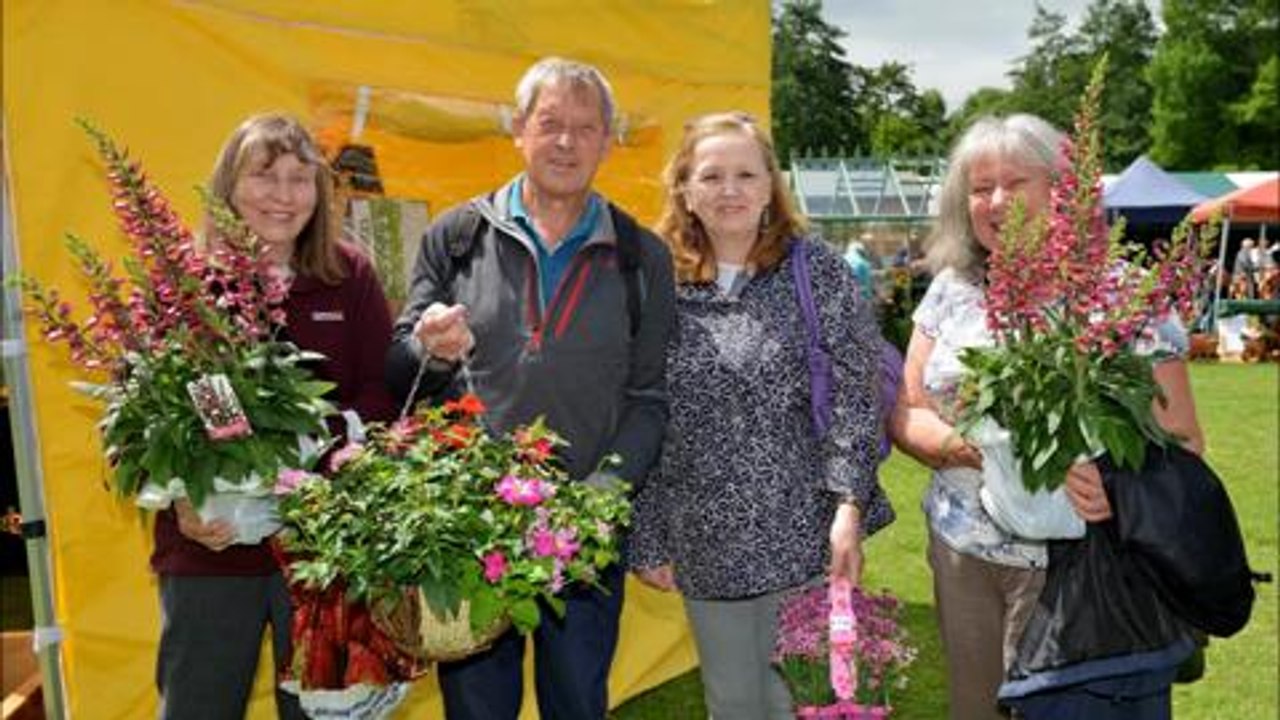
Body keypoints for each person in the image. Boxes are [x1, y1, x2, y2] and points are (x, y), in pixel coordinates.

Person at [384, 57, 675, 720]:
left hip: (586, 530)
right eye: (550, 123)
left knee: (576, 702)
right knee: (477, 708)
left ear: (607, 141)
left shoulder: (641, 255)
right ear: (519, 130)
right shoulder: (456, 236)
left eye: (586, 127)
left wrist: (603, 493)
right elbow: (398, 372)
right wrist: (428, 349)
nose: (566, 142)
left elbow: (650, 397)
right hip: (471, 529)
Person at [889, 113, 1204, 720]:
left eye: (1016, 183)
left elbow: (1183, 438)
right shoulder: (952, 288)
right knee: (975, 709)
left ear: (1065, 191)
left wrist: (1115, 486)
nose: (996, 202)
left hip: (1084, 565)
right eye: (981, 189)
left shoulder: (1127, 293)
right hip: (963, 551)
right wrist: (973, 448)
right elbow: (908, 408)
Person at [627, 112, 894, 720]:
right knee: (732, 703)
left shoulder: (816, 271)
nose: (730, 190)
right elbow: (641, 409)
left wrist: (849, 507)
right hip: (703, 538)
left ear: (771, 185)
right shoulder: (655, 283)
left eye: (746, 174)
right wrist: (646, 533)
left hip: (804, 531)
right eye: (711, 175)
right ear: (684, 189)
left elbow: (856, 398)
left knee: (798, 700)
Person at [148, 113, 398, 719]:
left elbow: (382, 389)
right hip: (211, 550)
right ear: (229, 185)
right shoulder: (187, 284)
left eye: (299, 179)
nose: (284, 196)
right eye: (265, 176)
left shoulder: (348, 276)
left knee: (322, 710)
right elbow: (153, 410)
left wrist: (322, 445)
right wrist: (183, 499)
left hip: (321, 549)